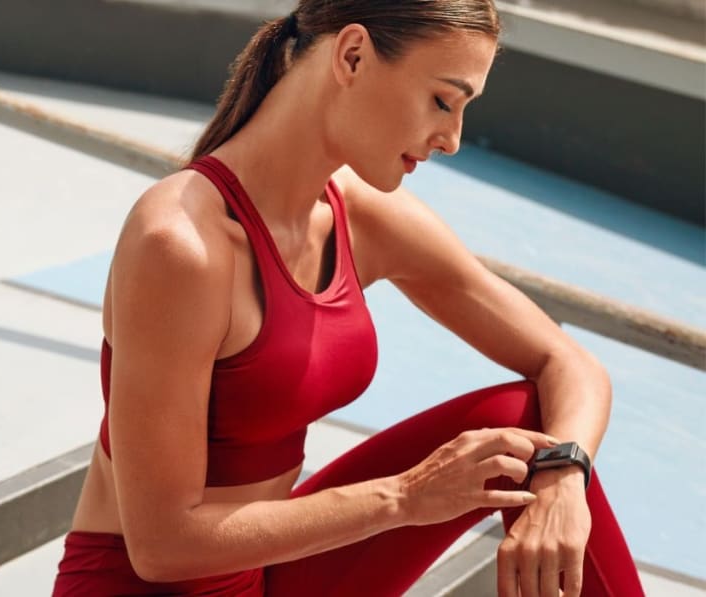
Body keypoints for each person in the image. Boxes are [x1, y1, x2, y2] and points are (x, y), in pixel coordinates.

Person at [53, 1, 645, 595]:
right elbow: (163, 545)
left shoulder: (359, 218)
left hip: (263, 576)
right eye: (443, 100)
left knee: (525, 430)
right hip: (146, 585)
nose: (453, 139)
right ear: (353, 55)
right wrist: (407, 497)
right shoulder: (183, 244)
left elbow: (567, 363)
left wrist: (566, 476)